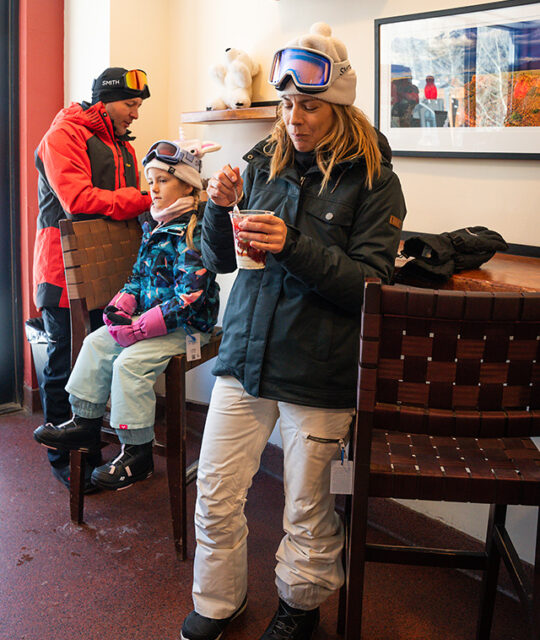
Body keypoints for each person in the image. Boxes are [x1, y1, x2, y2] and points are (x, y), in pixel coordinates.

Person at [180, 22, 406, 640]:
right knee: (217, 489)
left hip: (319, 365)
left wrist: (296, 246)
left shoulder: (375, 178)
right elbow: (220, 261)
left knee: (306, 506)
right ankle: (216, 601)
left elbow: (370, 286)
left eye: (309, 105)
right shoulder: (261, 160)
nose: (294, 117)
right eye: (286, 104)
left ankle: (299, 607)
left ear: (337, 105)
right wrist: (218, 210)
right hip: (246, 354)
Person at [33, 139, 220, 490]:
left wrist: (142, 328)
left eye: (163, 180)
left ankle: (137, 452)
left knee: (128, 364)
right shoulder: (154, 225)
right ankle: (85, 421)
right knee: (95, 343)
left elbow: (190, 296)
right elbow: (139, 278)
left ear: (188, 183)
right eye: (151, 182)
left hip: (190, 327)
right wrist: (122, 306)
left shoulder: (196, 229)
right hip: (150, 321)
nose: (154, 189)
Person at [32, 67, 152, 491]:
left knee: (103, 362)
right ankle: (65, 462)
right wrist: (145, 199)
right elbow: (79, 201)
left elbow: (127, 206)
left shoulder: (123, 146)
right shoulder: (64, 134)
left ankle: (100, 453)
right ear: (105, 100)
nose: (136, 114)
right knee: (65, 364)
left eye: (139, 106)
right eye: (130, 104)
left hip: (112, 272)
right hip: (64, 270)